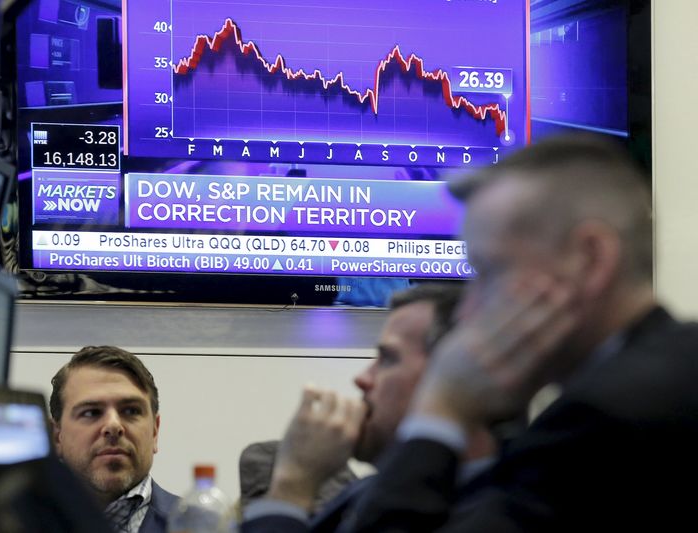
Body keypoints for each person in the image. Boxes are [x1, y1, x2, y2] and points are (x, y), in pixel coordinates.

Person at [340, 134, 698, 532]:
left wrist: (440, 412)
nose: (470, 309)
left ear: (591, 259)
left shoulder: (602, 422)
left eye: (490, 272)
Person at [242, 283, 495, 532]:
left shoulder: (493, 515)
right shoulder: (372, 496)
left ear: (457, 379)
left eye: (388, 359)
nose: (362, 378)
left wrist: (291, 489)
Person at [50, 345, 179, 533]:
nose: (113, 426)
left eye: (131, 411)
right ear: (56, 437)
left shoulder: (210, 527)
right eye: (91, 412)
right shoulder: (11, 524)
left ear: (154, 431)